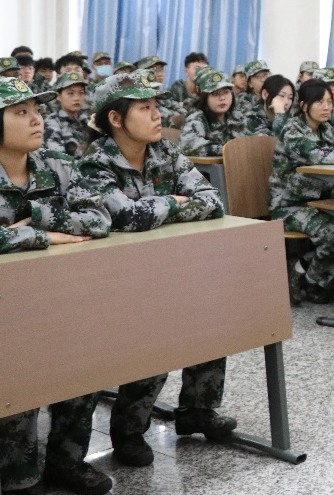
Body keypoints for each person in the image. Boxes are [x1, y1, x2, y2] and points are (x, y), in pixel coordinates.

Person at [0, 77, 112, 495]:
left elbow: (100, 219)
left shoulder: (58, 164)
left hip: (58, 294)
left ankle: (67, 461)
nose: (37, 120)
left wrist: (32, 218)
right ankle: (17, 486)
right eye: (21, 112)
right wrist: (45, 235)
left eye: (37, 110)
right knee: (17, 381)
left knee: (83, 369)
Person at [76, 71, 235, 466]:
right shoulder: (95, 163)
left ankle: (197, 410)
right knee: (155, 334)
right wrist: (175, 203)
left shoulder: (165, 151)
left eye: (156, 106)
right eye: (145, 108)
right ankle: (129, 430)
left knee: (210, 319)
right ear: (116, 119)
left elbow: (212, 200)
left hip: (170, 266)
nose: (157, 114)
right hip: (115, 279)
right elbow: (125, 217)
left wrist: (161, 209)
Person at [268, 78, 334, 303]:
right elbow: (318, 156)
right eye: (320, 102)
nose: (327, 107)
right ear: (304, 105)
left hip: (318, 204)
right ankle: (312, 281)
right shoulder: (292, 131)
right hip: (289, 206)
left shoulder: (327, 129)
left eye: (330, 102)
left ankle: (304, 273)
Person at [180, 70, 244, 156]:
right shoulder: (197, 118)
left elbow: (251, 140)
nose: (222, 98)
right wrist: (227, 150)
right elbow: (190, 146)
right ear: (204, 97)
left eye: (226, 92)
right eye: (215, 94)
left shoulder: (237, 116)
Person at [43, 71, 95, 158]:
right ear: (59, 96)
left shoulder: (88, 121)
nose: (77, 98)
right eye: (70, 93)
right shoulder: (52, 122)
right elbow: (58, 159)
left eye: (81, 93)